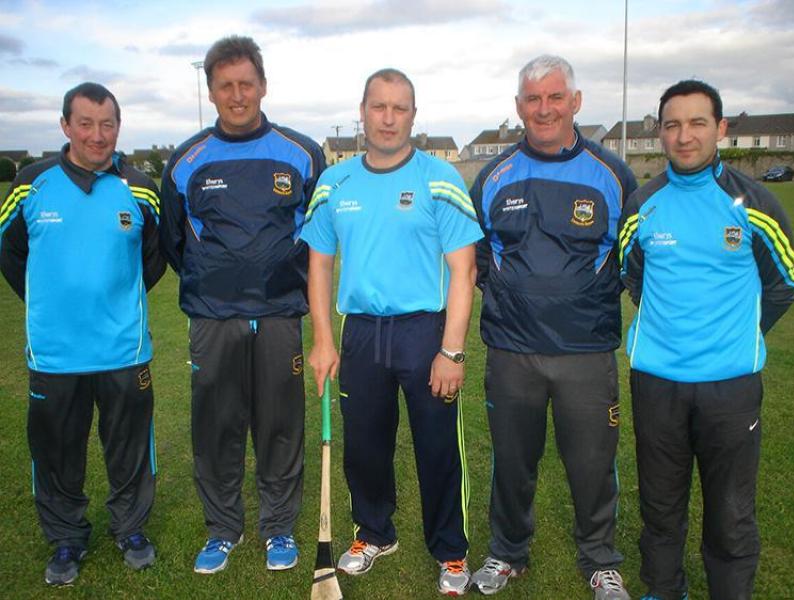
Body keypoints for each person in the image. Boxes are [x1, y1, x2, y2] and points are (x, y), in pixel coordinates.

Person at [301, 68, 483, 596]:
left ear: (413, 116)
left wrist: (452, 350)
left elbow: (463, 271)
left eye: (399, 108)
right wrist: (322, 339)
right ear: (362, 111)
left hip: (424, 331)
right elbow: (318, 266)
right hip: (360, 332)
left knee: (437, 447)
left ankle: (451, 549)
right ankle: (374, 532)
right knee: (364, 446)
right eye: (378, 106)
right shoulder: (335, 183)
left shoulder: (439, 178)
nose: (387, 117)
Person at [618, 80, 794, 600]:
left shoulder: (754, 202)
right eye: (672, 124)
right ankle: (663, 588)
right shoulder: (642, 204)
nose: (684, 135)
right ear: (659, 133)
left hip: (731, 387)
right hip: (656, 382)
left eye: (698, 123)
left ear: (720, 129)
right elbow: (632, 275)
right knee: (660, 500)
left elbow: (784, 281)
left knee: (730, 508)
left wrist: (739, 336)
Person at [469, 55, 638, 598]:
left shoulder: (614, 174)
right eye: (533, 99)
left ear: (576, 101)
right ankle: (506, 551)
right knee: (512, 462)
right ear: (519, 106)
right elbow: (477, 260)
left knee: (593, 464)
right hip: (512, 352)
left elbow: (630, 259)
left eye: (555, 97)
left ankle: (600, 559)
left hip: (586, 353)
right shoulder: (493, 177)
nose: (544, 109)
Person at [160, 35, 325, 574]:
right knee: (217, 426)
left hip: (279, 315)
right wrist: (219, 285)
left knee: (280, 424)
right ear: (211, 92)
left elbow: (318, 237)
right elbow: (174, 243)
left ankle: (278, 529)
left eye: (246, 84)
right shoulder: (187, 161)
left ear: (263, 86)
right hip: (214, 317)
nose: (237, 95)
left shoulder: (302, 154)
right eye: (225, 86)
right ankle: (222, 530)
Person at [0, 82, 164, 586]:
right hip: (55, 356)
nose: (98, 135)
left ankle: (131, 529)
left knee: (130, 449)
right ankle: (67, 538)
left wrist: (115, 301)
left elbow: (154, 260)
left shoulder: (139, 189)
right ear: (65, 125)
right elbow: (10, 254)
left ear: (119, 127)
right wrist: (51, 304)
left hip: (123, 350)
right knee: (55, 454)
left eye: (108, 124)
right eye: (87, 123)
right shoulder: (31, 185)